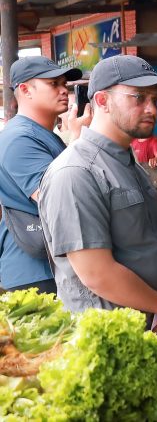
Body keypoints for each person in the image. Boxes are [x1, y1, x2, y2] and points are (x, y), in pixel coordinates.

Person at [38, 55, 157, 334]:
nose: (152, 109)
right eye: (139, 97)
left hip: (148, 326)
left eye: (156, 100)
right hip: (106, 335)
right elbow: (96, 274)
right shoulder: (75, 172)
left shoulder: (131, 166)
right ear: (103, 101)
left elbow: (148, 241)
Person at [0, 56, 86, 293]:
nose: (62, 91)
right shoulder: (19, 138)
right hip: (34, 272)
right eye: (53, 84)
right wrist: (79, 142)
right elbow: (60, 198)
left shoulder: (43, 134)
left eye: (64, 85)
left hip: (52, 264)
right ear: (25, 90)